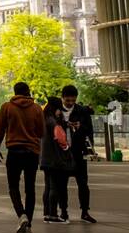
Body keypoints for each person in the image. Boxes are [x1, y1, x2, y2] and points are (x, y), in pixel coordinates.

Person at [0, 82, 46, 233]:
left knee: (13, 187)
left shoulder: (7, 107)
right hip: (32, 152)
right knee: (30, 189)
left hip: (14, 151)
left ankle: (21, 215)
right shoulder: (36, 108)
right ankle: (28, 224)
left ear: (15, 92)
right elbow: (41, 132)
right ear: (28, 92)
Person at [61, 84, 97, 222]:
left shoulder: (82, 111)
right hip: (63, 152)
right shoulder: (57, 111)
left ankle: (85, 211)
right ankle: (63, 211)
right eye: (67, 101)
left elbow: (89, 131)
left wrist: (80, 127)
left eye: (72, 101)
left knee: (83, 183)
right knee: (62, 184)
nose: (70, 103)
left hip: (78, 151)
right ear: (62, 98)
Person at [40, 96, 75, 224]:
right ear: (55, 109)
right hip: (54, 159)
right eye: (59, 109)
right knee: (55, 187)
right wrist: (66, 148)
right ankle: (53, 215)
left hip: (45, 158)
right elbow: (61, 139)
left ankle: (47, 213)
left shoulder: (44, 119)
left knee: (48, 186)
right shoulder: (53, 122)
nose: (60, 112)